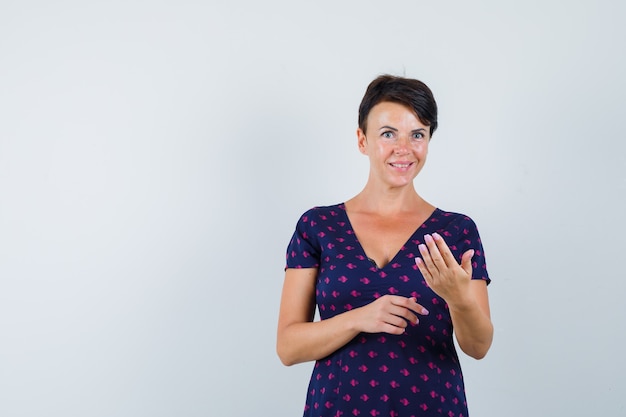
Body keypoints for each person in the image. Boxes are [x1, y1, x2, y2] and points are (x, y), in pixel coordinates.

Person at [277, 75, 493, 417]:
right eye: (388, 133)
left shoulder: (456, 231)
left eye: (417, 134)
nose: (403, 148)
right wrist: (359, 318)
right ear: (362, 140)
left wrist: (459, 298)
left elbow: (478, 346)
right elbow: (288, 347)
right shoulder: (318, 226)